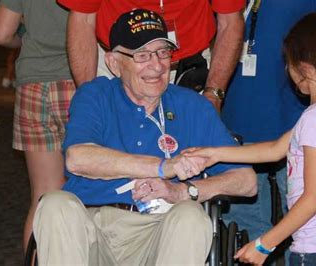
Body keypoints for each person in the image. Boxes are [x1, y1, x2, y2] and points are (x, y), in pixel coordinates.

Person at [32, 9, 256, 265]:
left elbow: (246, 181)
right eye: (143, 55)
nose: (158, 65)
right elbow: (76, 158)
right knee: (54, 204)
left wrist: (185, 191)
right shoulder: (95, 96)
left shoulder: (193, 106)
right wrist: (163, 167)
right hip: (92, 226)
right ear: (114, 63)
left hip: (159, 229)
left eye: (163, 52)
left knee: (191, 216)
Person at [185, 13, 316, 265]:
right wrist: (214, 153)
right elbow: (274, 150)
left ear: (304, 68)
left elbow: (313, 198)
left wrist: (264, 244)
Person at [219, 1, 316, 261]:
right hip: (240, 112)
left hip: (291, 112)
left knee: (301, 219)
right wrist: (212, 152)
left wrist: (265, 244)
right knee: (247, 220)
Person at [0, 0, 77, 250]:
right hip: (80, 83)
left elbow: (0, 34)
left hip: (33, 85)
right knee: (90, 193)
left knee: (43, 196)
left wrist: (28, 40)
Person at [57, 0, 245, 111]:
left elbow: (229, 21)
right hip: (117, 65)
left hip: (188, 69)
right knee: (114, 155)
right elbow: (83, 18)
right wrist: (88, 96)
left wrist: (213, 94)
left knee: (189, 158)